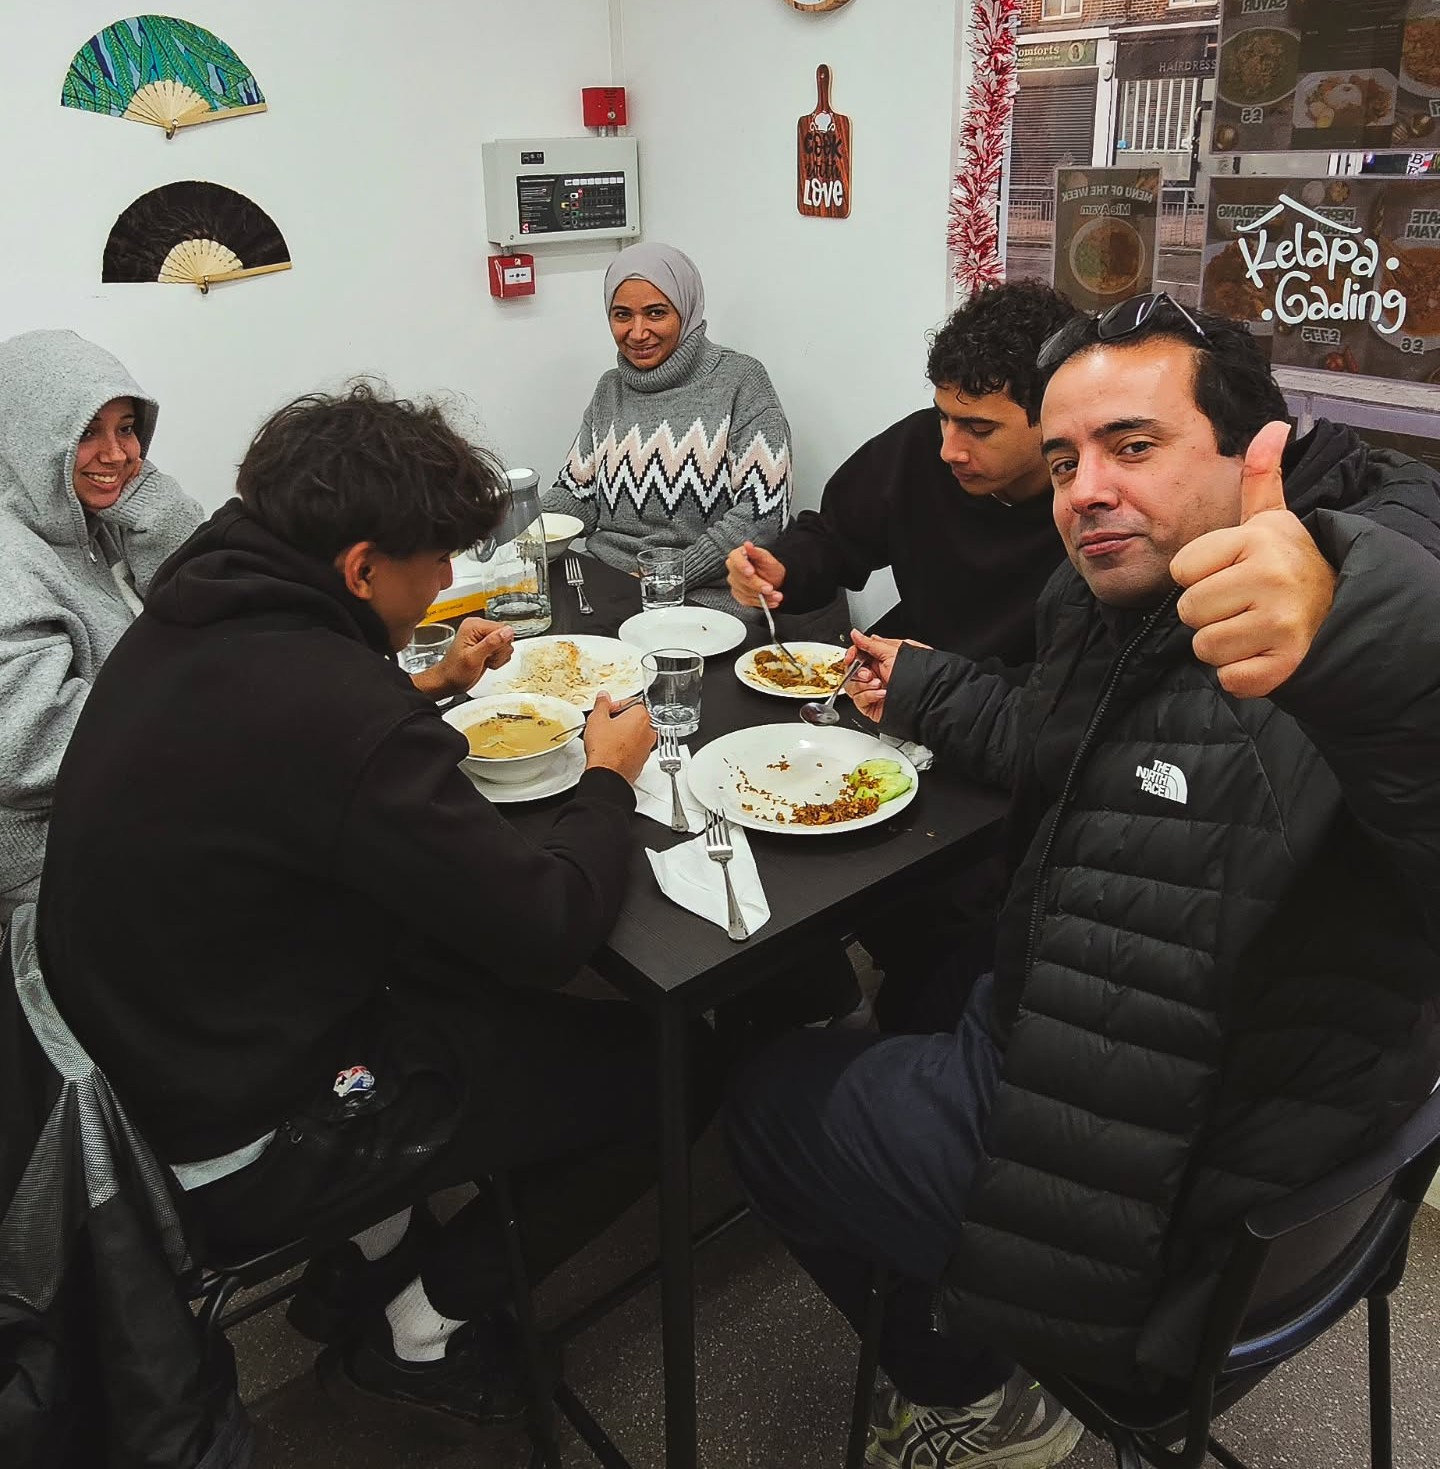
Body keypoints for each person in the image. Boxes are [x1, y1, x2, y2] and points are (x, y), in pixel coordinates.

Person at [728, 295, 1440, 1468]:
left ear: (1256, 449)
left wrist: (1359, 635)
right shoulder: (1122, 600)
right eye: (1066, 459)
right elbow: (1054, 740)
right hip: (1206, 1094)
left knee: (765, 1093)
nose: (1085, 490)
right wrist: (922, 688)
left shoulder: (1331, 610)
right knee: (929, 974)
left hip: (1149, 1192)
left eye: (1134, 445)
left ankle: (973, 1389)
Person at [36, 382, 716, 1433]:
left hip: (148, 1047)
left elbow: (288, 754)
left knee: (464, 966)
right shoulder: (330, 705)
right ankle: (420, 1322)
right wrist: (606, 778)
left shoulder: (208, 589)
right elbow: (546, 926)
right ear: (358, 567)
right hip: (242, 1130)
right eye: (434, 564)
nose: (447, 580)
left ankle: (358, 1256)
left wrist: (430, 683)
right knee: (668, 1070)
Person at [725, 280, 1076, 662]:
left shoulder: (1093, 507)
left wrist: (927, 683)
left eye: (979, 429)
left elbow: (1069, 698)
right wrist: (783, 570)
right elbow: (833, 539)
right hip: (897, 682)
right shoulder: (917, 446)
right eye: (944, 417)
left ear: (1054, 413)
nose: (949, 450)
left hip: (1006, 706)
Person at [0, 329, 205, 922]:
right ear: (27, 441)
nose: (116, 453)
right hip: (61, 862)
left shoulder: (93, 518)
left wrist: (157, 511)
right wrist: (208, 720)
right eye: (87, 433)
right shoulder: (11, 562)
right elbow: (31, 749)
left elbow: (217, 610)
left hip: (139, 798)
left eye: (126, 428)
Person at [544, 242, 791, 612]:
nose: (638, 332)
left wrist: (667, 575)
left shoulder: (741, 382)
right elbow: (575, 493)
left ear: (687, 310)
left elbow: (763, 514)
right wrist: (511, 533)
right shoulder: (610, 389)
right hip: (604, 584)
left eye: (656, 313)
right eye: (622, 315)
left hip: (703, 599)